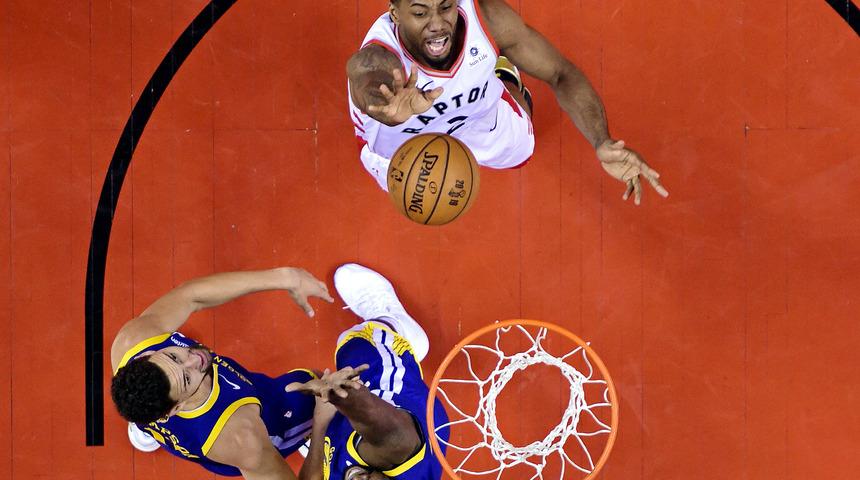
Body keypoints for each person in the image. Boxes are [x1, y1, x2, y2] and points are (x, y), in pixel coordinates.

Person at [347, 0, 669, 205]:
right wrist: (389, 111)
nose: (437, 24)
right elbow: (362, 72)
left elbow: (560, 74)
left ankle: (506, 74)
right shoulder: (383, 58)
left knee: (522, 139)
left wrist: (602, 140)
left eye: (445, 7)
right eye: (419, 12)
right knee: (420, 204)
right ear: (395, 14)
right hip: (404, 148)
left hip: (475, 121)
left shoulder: (488, 19)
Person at [110, 267, 334, 479]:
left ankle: (146, 431)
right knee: (312, 384)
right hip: (252, 437)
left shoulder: (133, 342)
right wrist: (321, 424)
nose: (194, 359)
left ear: (143, 357)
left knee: (147, 408)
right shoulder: (241, 438)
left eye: (174, 357)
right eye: (187, 379)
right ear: (175, 408)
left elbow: (192, 296)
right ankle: (304, 436)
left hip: (172, 422)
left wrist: (285, 277)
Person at [287, 263, 449, 480]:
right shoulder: (399, 448)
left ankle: (330, 438)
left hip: (347, 444)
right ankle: (392, 322)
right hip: (401, 404)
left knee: (291, 407)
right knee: (354, 345)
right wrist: (344, 396)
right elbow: (388, 431)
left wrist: (319, 426)